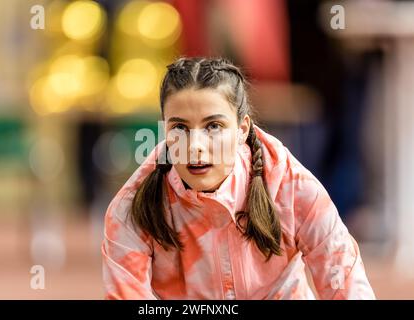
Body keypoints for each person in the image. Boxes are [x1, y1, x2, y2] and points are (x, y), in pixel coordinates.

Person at [101, 57, 375, 299]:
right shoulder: (131, 208)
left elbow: (346, 286)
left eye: (213, 126)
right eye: (180, 127)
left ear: (242, 129)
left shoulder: (293, 188)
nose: (195, 146)